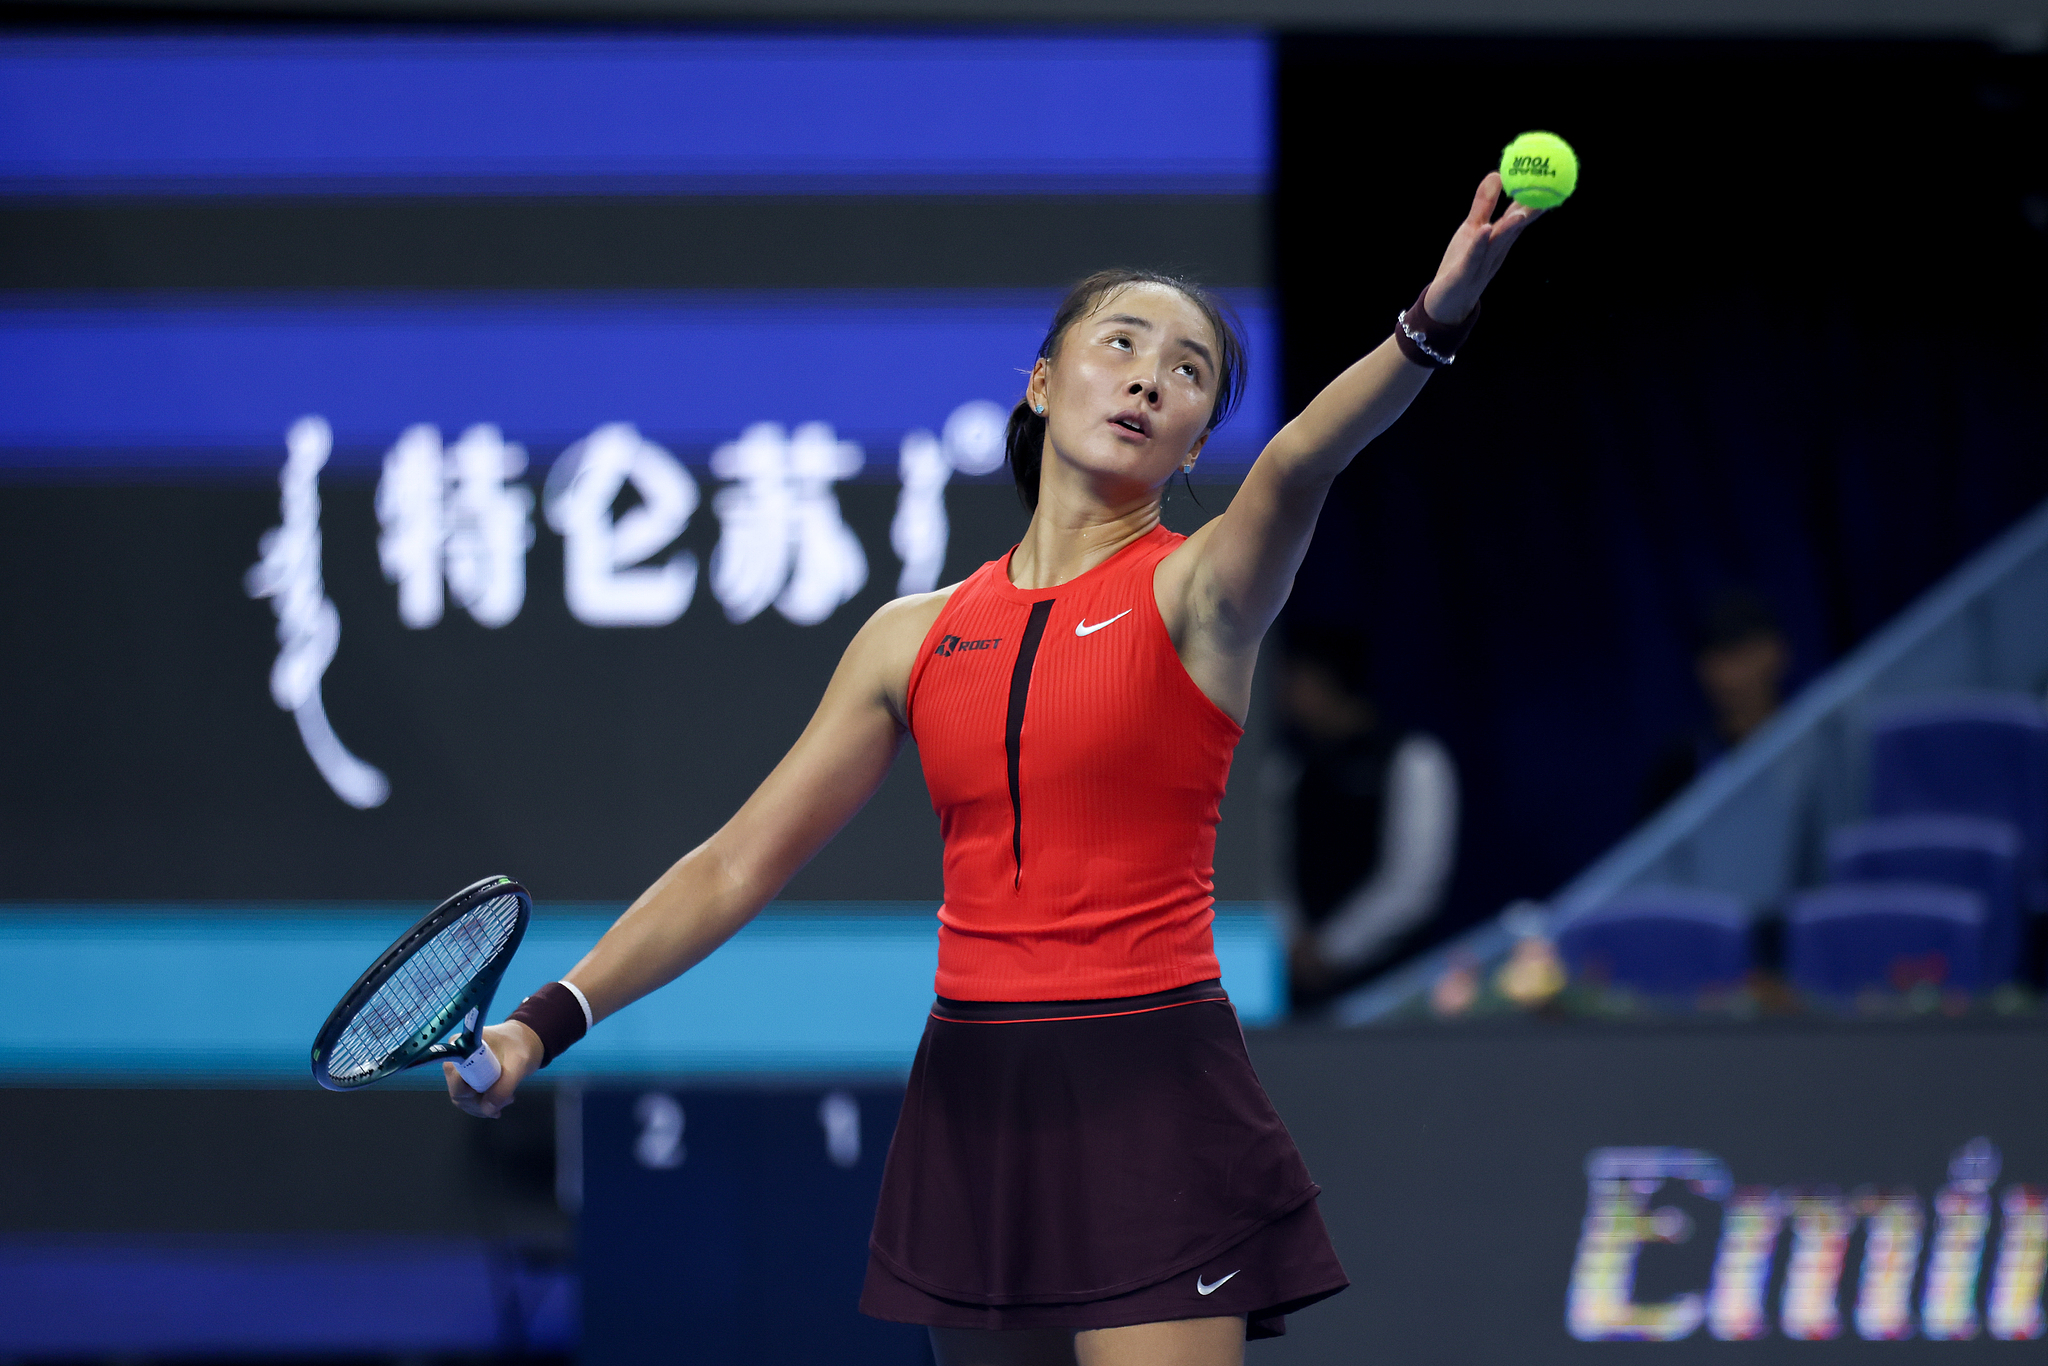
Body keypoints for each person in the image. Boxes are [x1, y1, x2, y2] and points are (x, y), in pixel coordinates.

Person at [448, 173, 1540, 1366]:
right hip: (971, 1091)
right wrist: (536, 1028)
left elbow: (1294, 466)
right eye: (1118, 343)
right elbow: (733, 866)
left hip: (1147, 1080)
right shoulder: (908, 636)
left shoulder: (1201, 591)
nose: (1145, 377)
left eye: (1186, 373)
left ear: (1192, 436)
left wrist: (1432, 320)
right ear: (1039, 381)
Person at [1272, 625, 1459, 1012]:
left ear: (1327, 682)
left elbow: (1413, 883)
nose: (1283, 694)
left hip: (1396, 988)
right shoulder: (1289, 768)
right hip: (1297, 988)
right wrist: (1293, 943)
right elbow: (1269, 864)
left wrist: (1331, 950)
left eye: (1294, 679)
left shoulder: (1412, 759)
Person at [1639, 591, 1791, 816]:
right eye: (1716, 660)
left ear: (1776, 654)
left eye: (1741, 656)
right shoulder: (1679, 768)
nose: (1727, 676)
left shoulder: (1816, 744)